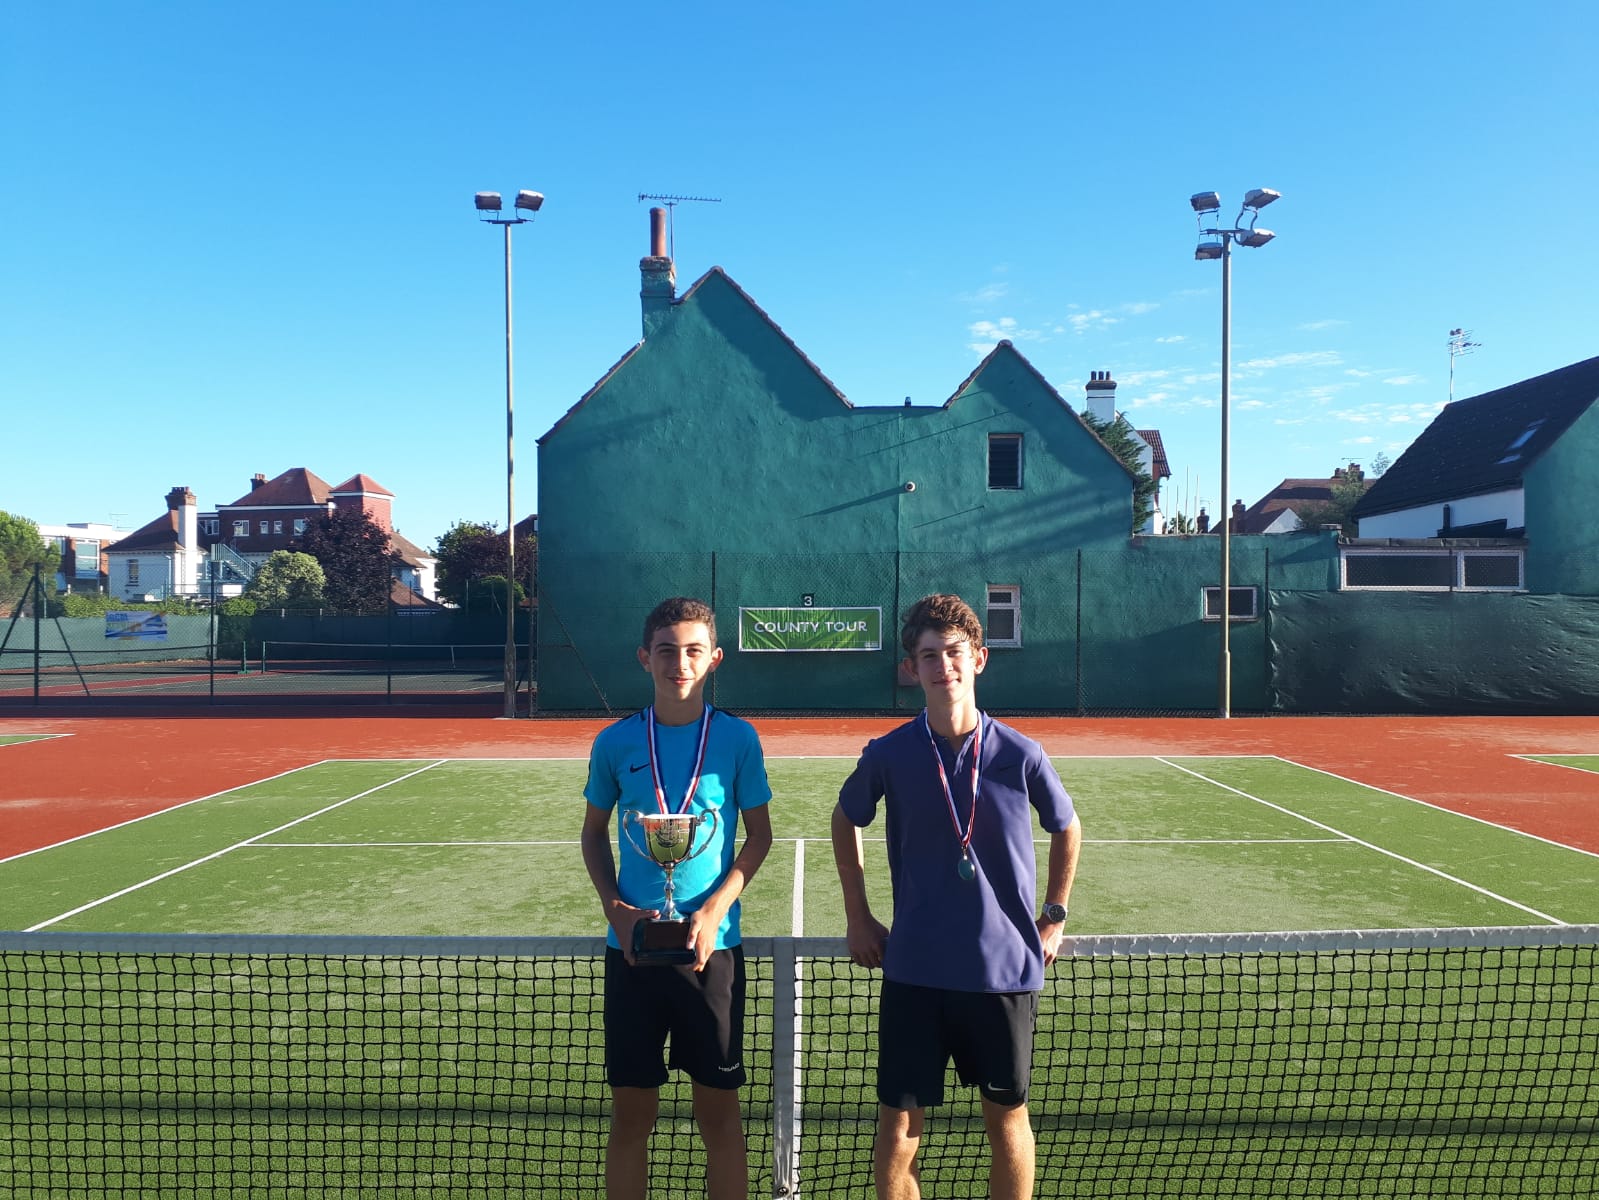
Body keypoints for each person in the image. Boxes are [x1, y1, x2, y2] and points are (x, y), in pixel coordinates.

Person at [831, 593, 1081, 1200]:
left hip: (1002, 974)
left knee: (1007, 1124)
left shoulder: (1021, 753)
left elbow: (1066, 826)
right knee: (897, 1134)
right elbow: (845, 819)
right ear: (912, 669)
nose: (944, 665)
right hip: (915, 971)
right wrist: (858, 915)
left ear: (979, 659)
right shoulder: (889, 754)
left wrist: (1054, 914)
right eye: (929, 655)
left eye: (954, 652)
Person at [580, 596, 774, 1200]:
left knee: (719, 1117)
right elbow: (592, 834)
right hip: (632, 953)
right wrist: (615, 907)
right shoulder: (614, 743)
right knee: (632, 1117)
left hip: (711, 954)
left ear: (714, 659)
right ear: (645, 658)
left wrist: (714, 911)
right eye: (666, 650)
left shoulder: (739, 740)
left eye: (693, 651)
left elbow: (759, 836)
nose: (679, 663)